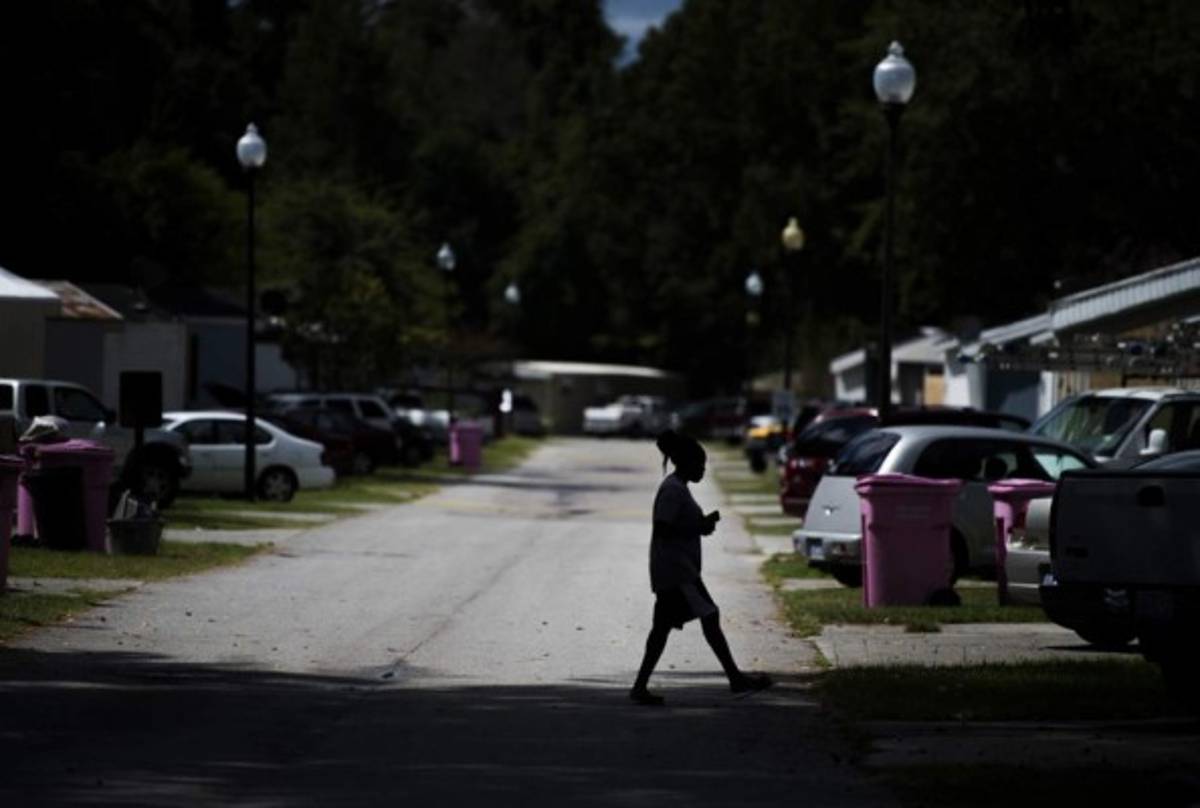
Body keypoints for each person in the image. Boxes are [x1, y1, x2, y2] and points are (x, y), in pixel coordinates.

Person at [630, 429, 773, 706]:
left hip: (675, 570)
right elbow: (663, 528)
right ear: (685, 462)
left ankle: (640, 687)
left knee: (661, 629)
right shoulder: (673, 490)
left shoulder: (678, 488)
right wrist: (698, 526)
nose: (703, 470)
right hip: (677, 572)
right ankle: (735, 679)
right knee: (709, 614)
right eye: (700, 464)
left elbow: (677, 526)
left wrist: (700, 526)